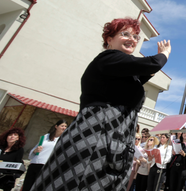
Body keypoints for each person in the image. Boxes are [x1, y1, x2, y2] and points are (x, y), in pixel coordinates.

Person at [30, 18, 171, 191]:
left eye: (135, 36)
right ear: (109, 39)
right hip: (97, 134)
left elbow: (140, 75)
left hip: (115, 139)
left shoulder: (119, 70)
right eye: (125, 34)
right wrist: (164, 54)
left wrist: (151, 69)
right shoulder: (108, 58)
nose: (132, 39)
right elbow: (152, 64)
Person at [22, 120, 68, 191]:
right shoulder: (46, 136)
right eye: (62, 126)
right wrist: (35, 150)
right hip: (35, 163)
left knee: (39, 186)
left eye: (65, 126)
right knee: (27, 186)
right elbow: (33, 150)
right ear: (56, 126)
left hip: (46, 165)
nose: (64, 128)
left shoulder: (63, 139)